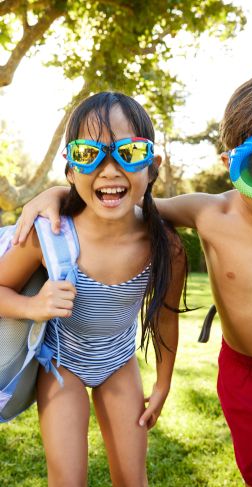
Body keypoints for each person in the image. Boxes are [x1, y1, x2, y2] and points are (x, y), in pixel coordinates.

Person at [14, 70, 252, 487]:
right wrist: (57, 194)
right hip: (242, 378)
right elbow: (125, 202)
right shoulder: (209, 214)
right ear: (231, 164)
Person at [0, 91, 187, 486]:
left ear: (151, 168)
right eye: (89, 154)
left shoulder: (164, 245)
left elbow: (167, 317)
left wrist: (164, 381)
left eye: (129, 151)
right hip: (61, 365)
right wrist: (33, 306)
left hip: (119, 363)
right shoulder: (49, 235)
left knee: (132, 479)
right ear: (70, 171)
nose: (110, 168)